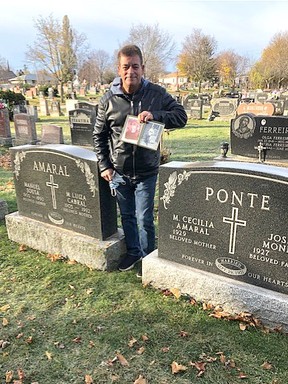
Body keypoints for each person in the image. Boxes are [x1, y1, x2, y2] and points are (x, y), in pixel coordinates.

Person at [93, 44, 187, 273]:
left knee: (144, 218)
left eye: (135, 66)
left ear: (142, 68)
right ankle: (133, 252)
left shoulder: (156, 94)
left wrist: (156, 115)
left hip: (146, 170)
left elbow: (181, 117)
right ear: (119, 69)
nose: (130, 72)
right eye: (126, 67)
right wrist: (105, 165)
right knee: (127, 216)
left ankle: (148, 258)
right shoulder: (108, 100)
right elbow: (99, 135)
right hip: (120, 170)